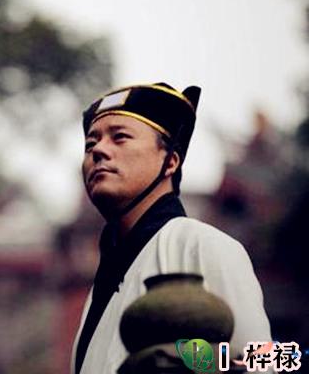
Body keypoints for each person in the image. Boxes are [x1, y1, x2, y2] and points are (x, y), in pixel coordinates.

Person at [71, 83, 272, 374]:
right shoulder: (98, 288)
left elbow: (264, 361)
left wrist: (195, 362)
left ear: (170, 162)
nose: (99, 150)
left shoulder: (204, 246)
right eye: (91, 144)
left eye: (120, 137)